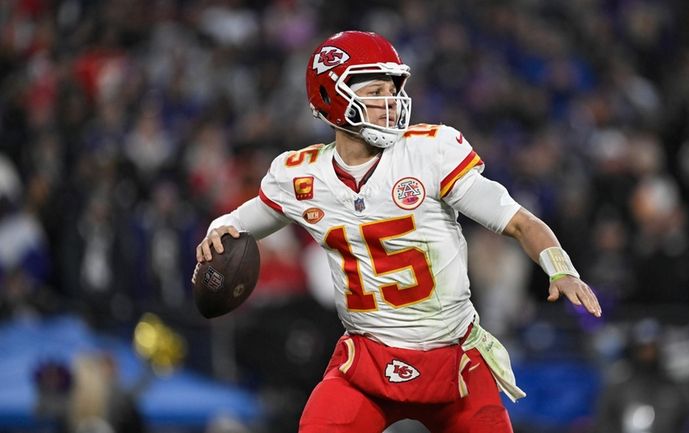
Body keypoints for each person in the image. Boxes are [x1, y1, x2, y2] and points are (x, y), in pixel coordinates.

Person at [195, 30, 602, 433]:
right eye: (375, 91)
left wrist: (560, 267)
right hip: (366, 360)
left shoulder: (428, 153)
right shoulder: (302, 175)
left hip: (454, 358)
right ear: (330, 97)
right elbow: (237, 221)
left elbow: (519, 221)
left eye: (391, 91)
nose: (389, 103)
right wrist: (217, 232)